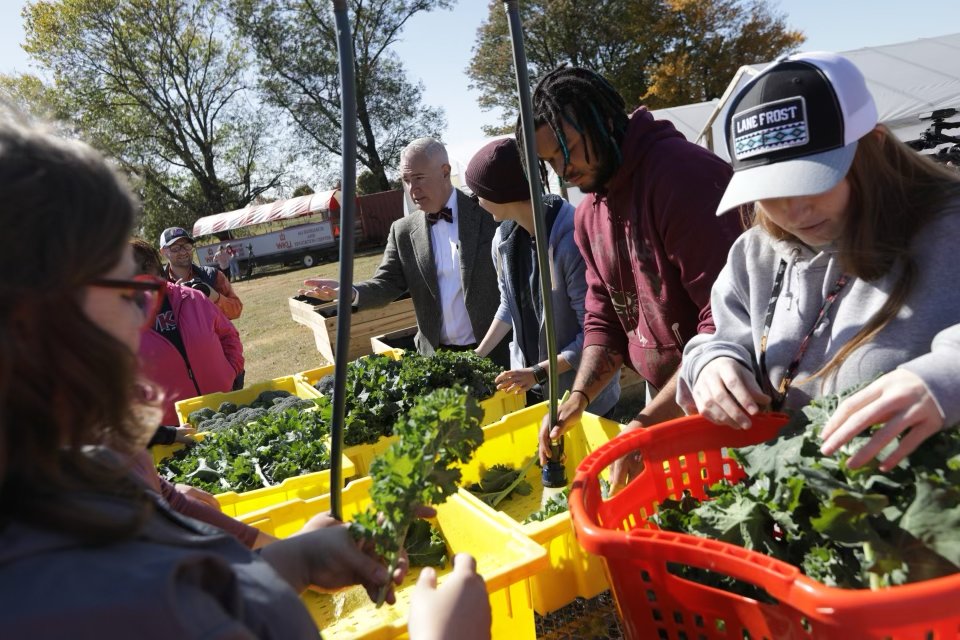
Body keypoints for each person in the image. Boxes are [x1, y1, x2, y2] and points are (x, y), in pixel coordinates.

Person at [0, 118, 491, 638]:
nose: (141, 318)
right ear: (36, 318)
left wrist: (297, 558)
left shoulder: (91, 462)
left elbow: (173, 515)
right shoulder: (72, 596)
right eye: (127, 292)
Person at [676, 52, 960, 471]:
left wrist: (948, 378)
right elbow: (722, 337)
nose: (793, 212)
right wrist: (711, 363)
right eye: (768, 192)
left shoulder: (948, 229)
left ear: (874, 145)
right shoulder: (754, 253)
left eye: (813, 180)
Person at [524, 66, 743, 480]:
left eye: (568, 148)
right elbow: (604, 318)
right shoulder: (589, 214)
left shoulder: (683, 177)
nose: (562, 169)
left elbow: (729, 322)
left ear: (604, 121)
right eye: (550, 160)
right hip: (667, 396)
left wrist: (645, 423)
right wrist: (578, 397)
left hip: (731, 394)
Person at [301, 137, 508, 366]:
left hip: (497, 355)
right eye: (406, 180)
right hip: (436, 359)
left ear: (445, 172)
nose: (412, 189)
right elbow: (386, 284)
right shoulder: (403, 231)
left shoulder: (488, 215)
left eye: (419, 178)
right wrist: (349, 292)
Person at [467, 137, 620, 415]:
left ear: (502, 193)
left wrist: (539, 371)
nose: (476, 200)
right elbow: (508, 304)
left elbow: (594, 332)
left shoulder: (572, 241)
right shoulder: (502, 240)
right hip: (533, 387)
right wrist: (477, 354)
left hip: (583, 393)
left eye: (479, 192)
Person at [132, 238, 245, 424]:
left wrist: (232, 370)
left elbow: (229, 335)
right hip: (176, 426)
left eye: (146, 263)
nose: (143, 272)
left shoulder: (193, 298)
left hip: (224, 408)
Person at [160, 226, 243, 320]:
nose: (183, 252)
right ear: (163, 252)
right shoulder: (157, 285)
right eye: (175, 248)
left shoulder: (212, 275)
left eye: (187, 246)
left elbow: (236, 310)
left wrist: (214, 297)